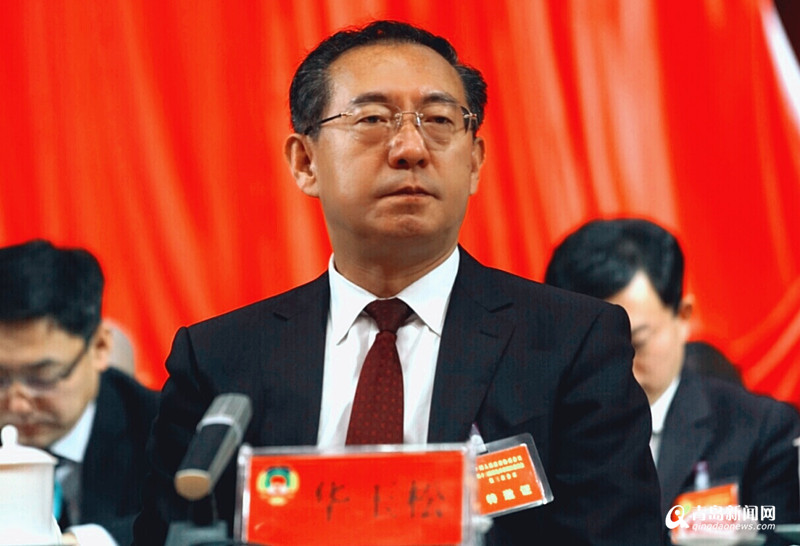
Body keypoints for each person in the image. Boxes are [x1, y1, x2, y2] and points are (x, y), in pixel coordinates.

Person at [133, 21, 662, 545]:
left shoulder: (571, 343)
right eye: (372, 119)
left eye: (439, 120)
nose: (410, 148)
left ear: (474, 163)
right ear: (305, 162)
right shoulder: (221, 361)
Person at [545, 218, 800, 525]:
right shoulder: (540, 436)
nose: (612, 371)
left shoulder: (763, 431)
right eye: (589, 352)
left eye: (635, 344)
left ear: (683, 316)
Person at [0, 239, 159, 546]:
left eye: (42, 377)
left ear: (100, 347)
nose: (17, 404)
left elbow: (176, 523)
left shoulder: (159, 427)